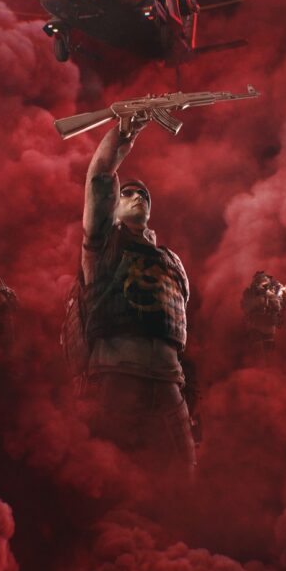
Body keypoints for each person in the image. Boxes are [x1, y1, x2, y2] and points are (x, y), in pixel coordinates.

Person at [80, 121, 195, 475]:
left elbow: (177, 320)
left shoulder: (171, 260)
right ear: (113, 208)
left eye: (144, 195)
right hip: (118, 375)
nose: (138, 198)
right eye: (127, 194)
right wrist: (123, 133)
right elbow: (100, 176)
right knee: (108, 473)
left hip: (168, 378)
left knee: (183, 472)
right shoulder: (104, 245)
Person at [240, 271, 286, 363]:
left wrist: (272, 296)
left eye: (266, 284)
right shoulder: (249, 293)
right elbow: (248, 306)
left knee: (269, 348)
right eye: (263, 284)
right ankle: (257, 366)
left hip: (268, 324)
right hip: (256, 324)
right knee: (257, 348)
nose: (265, 287)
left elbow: (277, 307)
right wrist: (263, 298)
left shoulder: (270, 293)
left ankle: (269, 366)